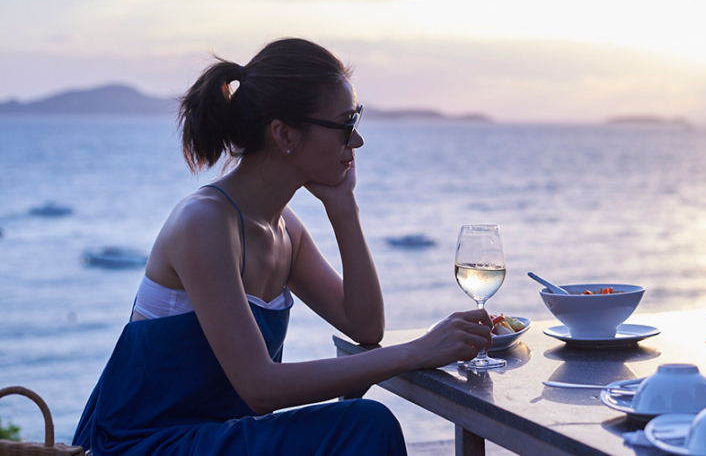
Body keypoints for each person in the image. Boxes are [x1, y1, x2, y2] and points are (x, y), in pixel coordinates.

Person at [72, 37, 493, 456]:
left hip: (218, 437)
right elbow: (259, 387)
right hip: (142, 444)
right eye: (347, 124)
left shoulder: (283, 230)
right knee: (364, 423)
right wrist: (417, 352)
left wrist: (343, 208)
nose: (358, 141)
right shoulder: (204, 223)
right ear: (285, 135)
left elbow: (365, 325)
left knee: (360, 422)